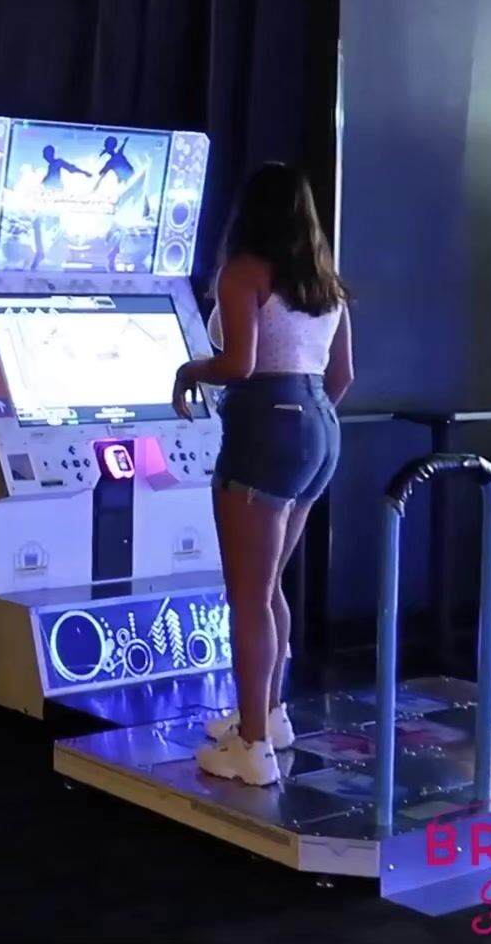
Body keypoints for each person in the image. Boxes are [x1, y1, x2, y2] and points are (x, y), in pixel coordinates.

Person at [170, 162, 353, 785]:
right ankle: (269, 716)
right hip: (320, 428)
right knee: (270, 585)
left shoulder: (244, 271)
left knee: (247, 595)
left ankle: (251, 747)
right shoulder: (324, 281)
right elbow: (343, 375)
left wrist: (190, 371)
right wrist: (304, 422)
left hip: (266, 426)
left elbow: (239, 364)